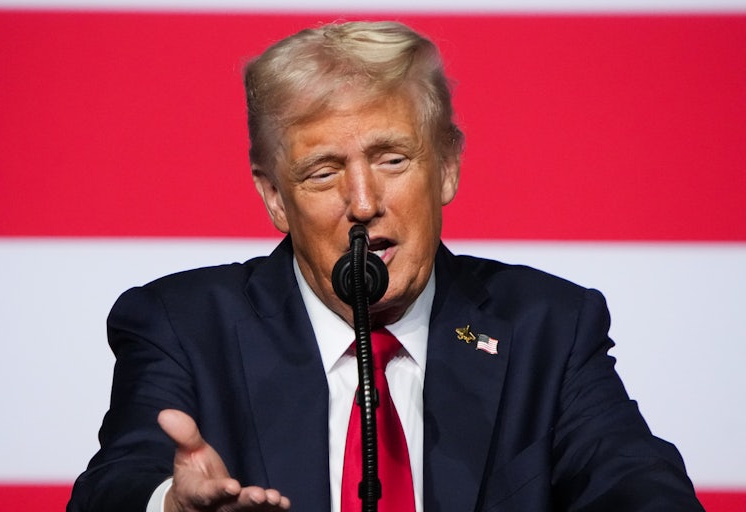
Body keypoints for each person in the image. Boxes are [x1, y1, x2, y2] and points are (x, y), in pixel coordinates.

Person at [68, 21, 704, 512]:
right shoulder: (182, 326)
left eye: (393, 159)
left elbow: (634, 480)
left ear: (448, 166)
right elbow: (115, 483)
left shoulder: (548, 328)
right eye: (323, 172)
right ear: (273, 197)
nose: (364, 204)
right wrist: (169, 505)